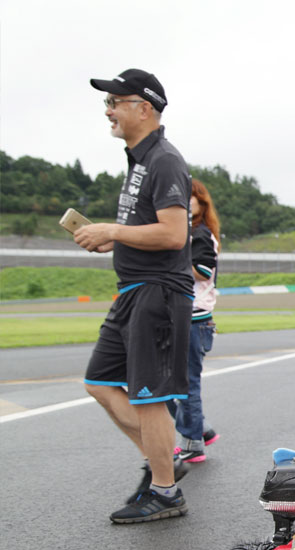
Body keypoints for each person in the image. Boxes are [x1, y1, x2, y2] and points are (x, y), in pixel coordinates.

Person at [76, 68, 193, 523]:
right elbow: (147, 229)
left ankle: (165, 492)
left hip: (157, 293)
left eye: (115, 102)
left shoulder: (164, 159)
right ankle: (164, 460)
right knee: (99, 381)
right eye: (106, 103)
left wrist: (112, 230)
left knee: (148, 396)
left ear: (144, 109)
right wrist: (113, 240)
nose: (108, 111)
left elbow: (173, 233)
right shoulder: (139, 161)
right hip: (132, 292)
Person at [171, 178, 221, 462]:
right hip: (184, 316)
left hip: (195, 317)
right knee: (169, 384)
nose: (183, 201)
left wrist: (172, 259)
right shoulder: (189, 232)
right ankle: (200, 428)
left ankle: (192, 442)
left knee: (184, 384)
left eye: (189, 196)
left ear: (201, 203)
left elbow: (203, 270)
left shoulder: (200, 234)